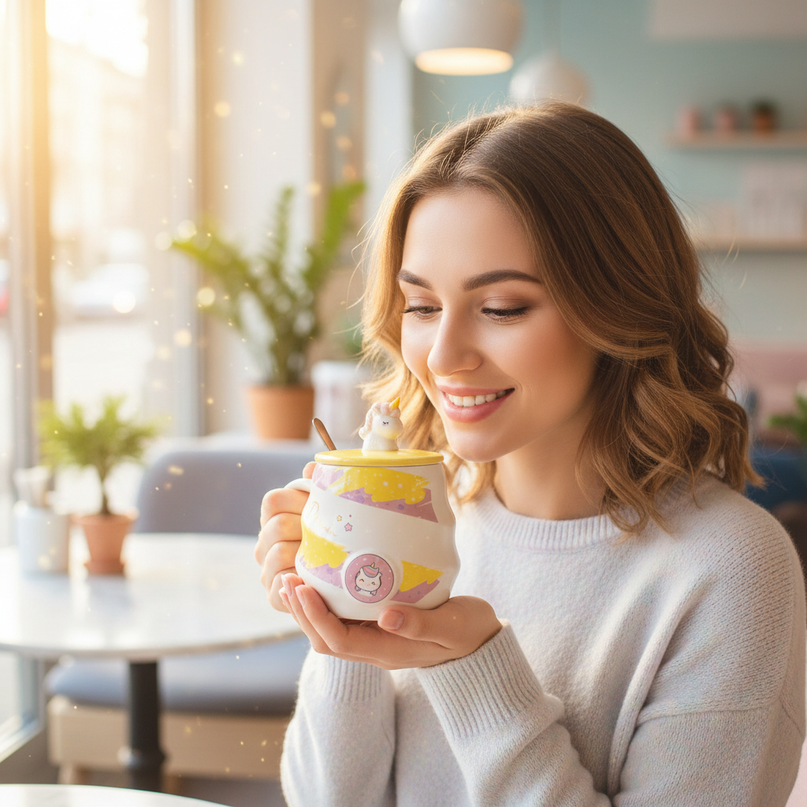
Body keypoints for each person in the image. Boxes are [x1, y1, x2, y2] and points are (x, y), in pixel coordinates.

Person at [254, 101, 806, 805]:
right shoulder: (417, 518)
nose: (444, 355)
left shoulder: (727, 569)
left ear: (617, 308)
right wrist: (339, 622)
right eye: (421, 306)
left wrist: (475, 665)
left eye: (502, 307)